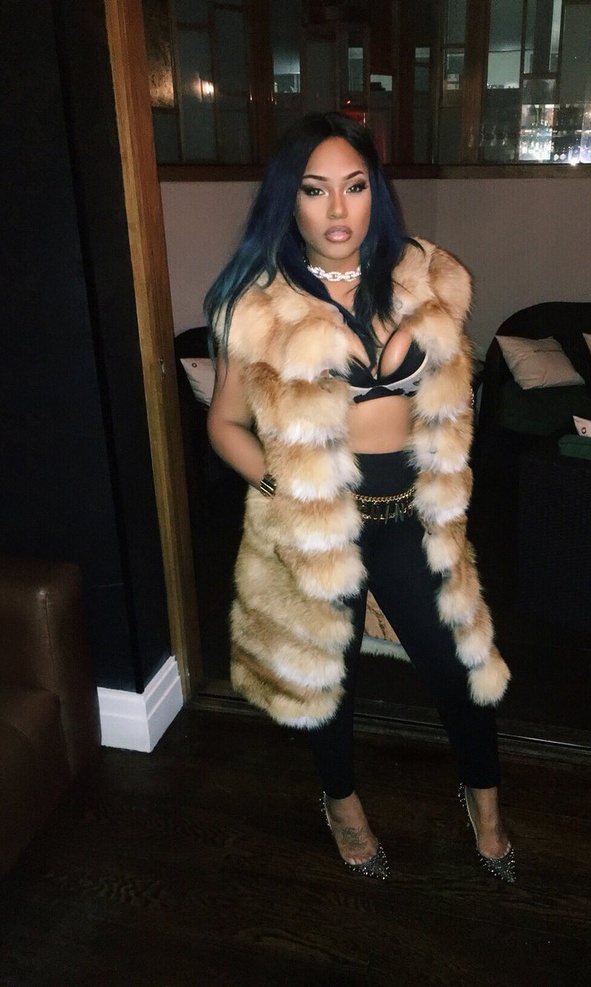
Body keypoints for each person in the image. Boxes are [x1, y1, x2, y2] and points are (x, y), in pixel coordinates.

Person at [204, 111, 513, 882]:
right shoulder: (258, 307)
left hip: (410, 513)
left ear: (377, 190)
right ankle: (341, 803)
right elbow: (224, 423)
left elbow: (450, 400)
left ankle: (486, 803)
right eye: (315, 190)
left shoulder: (425, 279)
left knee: (459, 667)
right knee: (326, 678)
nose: (338, 210)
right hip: (318, 528)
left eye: (355, 186)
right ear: (290, 199)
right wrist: (279, 483)